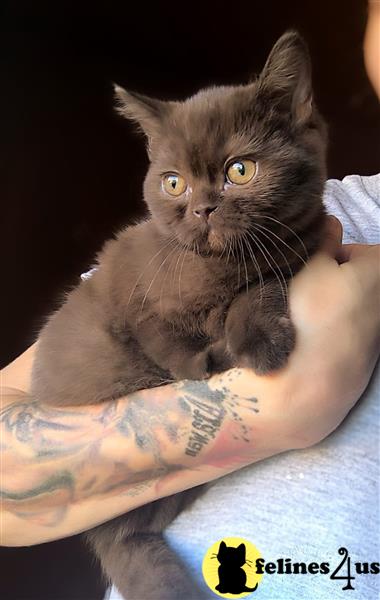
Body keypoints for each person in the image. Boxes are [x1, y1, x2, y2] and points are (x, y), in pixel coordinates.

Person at [1, 3, 379, 600]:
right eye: (175, 183)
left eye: (238, 169)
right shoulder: (165, 263)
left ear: (296, 121)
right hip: (105, 392)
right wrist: (281, 406)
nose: (199, 203)